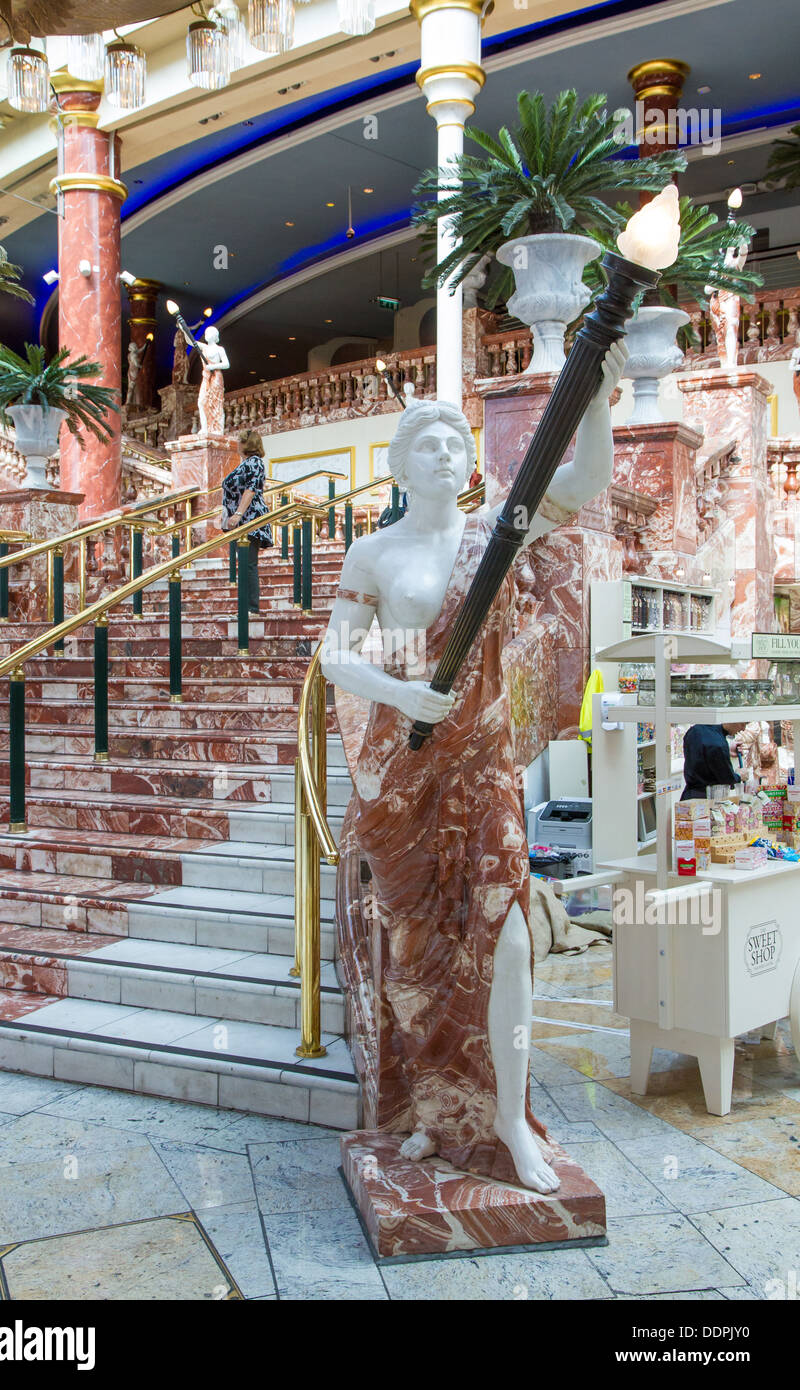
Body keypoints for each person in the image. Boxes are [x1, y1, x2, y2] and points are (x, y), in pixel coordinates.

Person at [321, 341, 627, 1194]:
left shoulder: (500, 531)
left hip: (483, 766)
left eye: (458, 443)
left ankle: (508, 1121)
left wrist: (598, 399)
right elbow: (336, 659)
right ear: (399, 463)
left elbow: (584, 479)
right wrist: (402, 693)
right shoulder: (373, 554)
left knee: (509, 940)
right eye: (430, 444)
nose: (448, 455)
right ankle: (435, 1108)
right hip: (409, 772)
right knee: (417, 952)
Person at [221, 428, 273, 612]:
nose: (237, 444)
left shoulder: (255, 462)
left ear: (247, 444)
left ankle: (251, 608)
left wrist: (237, 514)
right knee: (244, 564)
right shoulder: (246, 463)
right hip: (243, 520)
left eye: (240, 441)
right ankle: (246, 607)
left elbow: (250, 490)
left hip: (250, 519)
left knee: (248, 564)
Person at [681, 720, 751, 800]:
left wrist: (726, 751)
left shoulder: (694, 731)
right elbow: (726, 779)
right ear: (732, 719)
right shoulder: (718, 744)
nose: (743, 729)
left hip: (689, 796)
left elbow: (704, 758)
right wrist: (739, 776)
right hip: (706, 800)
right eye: (742, 724)